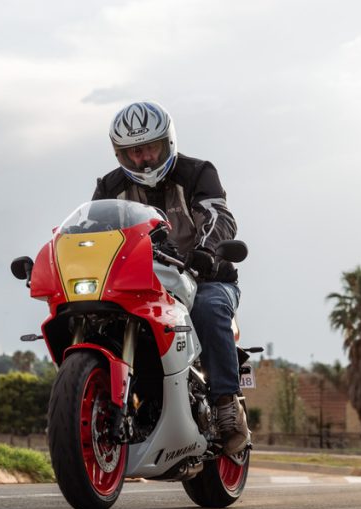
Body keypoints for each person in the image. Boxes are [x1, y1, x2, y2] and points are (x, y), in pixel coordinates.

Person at [92, 101, 249, 456]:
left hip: (204, 278)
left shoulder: (197, 173)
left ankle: (226, 403)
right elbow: (92, 229)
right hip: (141, 285)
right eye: (132, 152)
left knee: (209, 308)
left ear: (167, 143)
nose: (143, 159)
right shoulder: (110, 187)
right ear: (120, 153)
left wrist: (207, 251)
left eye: (149, 148)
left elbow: (218, 216)